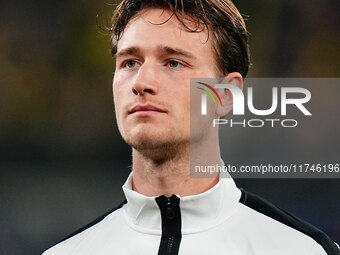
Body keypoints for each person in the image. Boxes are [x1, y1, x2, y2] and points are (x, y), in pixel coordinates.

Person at [42, 0, 339, 254]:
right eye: (130, 62)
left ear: (225, 95)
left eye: (173, 63)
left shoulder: (301, 249)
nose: (142, 82)